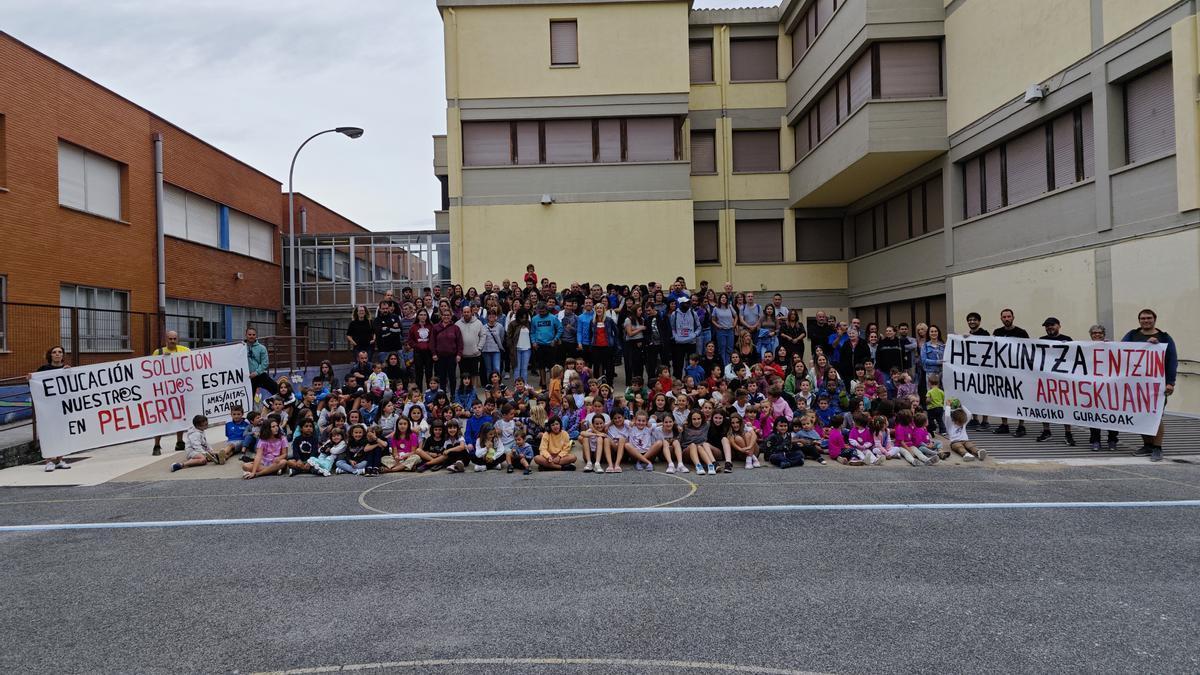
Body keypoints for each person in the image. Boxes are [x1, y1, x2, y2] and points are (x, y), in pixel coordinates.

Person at [1122, 309, 1177, 462]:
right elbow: (1120, 350)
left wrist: (1170, 383)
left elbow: (1172, 361)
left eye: (1149, 318)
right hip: (1136, 384)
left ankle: (1157, 448)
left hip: (1157, 385)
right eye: (1142, 318)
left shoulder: (1165, 337)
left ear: (1154, 319)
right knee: (1142, 414)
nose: (1146, 321)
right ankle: (1147, 445)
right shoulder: (1131, 335)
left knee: (1156, 415)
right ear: (1139, 320)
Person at [1036, 318, 1075, 446]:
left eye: (1052, 325)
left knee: (1065, 405)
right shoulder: (1041, 340)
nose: (1049, 328)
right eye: (1047, 326)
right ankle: (1047, 431)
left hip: (1062, 380)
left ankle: (1068, 433)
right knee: (1044, 404)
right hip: (1046, 378)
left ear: (1059, 326)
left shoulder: (1067, 339)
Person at [33, 345, 73, 471]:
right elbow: (35, 384)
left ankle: (60, 459)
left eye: (60, 352)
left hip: (62, 407)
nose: (57, 354)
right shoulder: (43, 369)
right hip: (47, 408)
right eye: (54, 352)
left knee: (61, 432)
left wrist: (70, 373)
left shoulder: (67, 369)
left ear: (63, 355)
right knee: (48, 432)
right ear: (50, 355)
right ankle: (49, 461)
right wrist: (29, 378)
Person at [991, 308, 1029, 437]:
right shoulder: (997, 332)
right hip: (1002, 371)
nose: (1007, 319)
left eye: (1009, 316)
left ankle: (1021, 426)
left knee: (1019, 398)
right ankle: (1004, 424)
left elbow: (1029, 349)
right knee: (1002, 397)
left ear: (1013, 317)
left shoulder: (1022, 332)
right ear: (1001, 318)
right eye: (1004, 317)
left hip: (1018, 371)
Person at [150, 331, 189, 455]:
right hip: (163, 392)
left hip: (178, 391)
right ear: (165, 339)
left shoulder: (185, 350)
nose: (172, 341)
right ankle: (156, 445)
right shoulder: (158, 353)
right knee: (161, 418)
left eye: (175, 338)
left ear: (178, 339)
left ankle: (180, 442)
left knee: (179, 416)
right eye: (170, 338)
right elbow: (151, 370)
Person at [963, 312, 991, 430]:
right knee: (973, 394)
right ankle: (975, 419)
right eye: (969, 320)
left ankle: (985, 421)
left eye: (974, 320)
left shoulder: (985, 334)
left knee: (984, 394)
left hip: (984, 370)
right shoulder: (967, 335)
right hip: (972, 370)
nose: (972, 322)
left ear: (979, 321)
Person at [431, 307, 463, 389]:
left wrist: (459, 354)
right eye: (444, 315)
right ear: (441, 316)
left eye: (448, 315)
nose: (446, 317)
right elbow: (432, 342)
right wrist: (434, 353)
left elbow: (460, 342)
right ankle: (442, 394)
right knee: (442, 377)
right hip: (440, 357)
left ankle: (453, 395)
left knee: (452, 377)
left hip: (452, 357)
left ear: (451, 316)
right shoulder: (435, 327)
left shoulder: (455, 328)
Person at [455, 304, 486, 385]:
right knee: (464, 376)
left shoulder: (478, 323)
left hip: (475, 355)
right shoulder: (457, 324)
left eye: (468, 312)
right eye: (464, 312)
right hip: (463, 355)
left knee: (474, 375)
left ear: (471, 312)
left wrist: (479, 348)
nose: (466, 313)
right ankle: (464, 393)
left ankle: (473, 393)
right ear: (462, 313)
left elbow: (483, 335)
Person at [245, 327, 278, 398]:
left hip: (259, 374)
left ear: (256, 336)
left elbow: (265, 363)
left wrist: (256, 373)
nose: (251, 336)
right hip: (247, 377)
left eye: (253, 335)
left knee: (276, 389)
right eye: (249, 334)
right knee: (248, 398)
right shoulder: (241, 348)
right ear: (246, 335)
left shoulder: (262, 348)